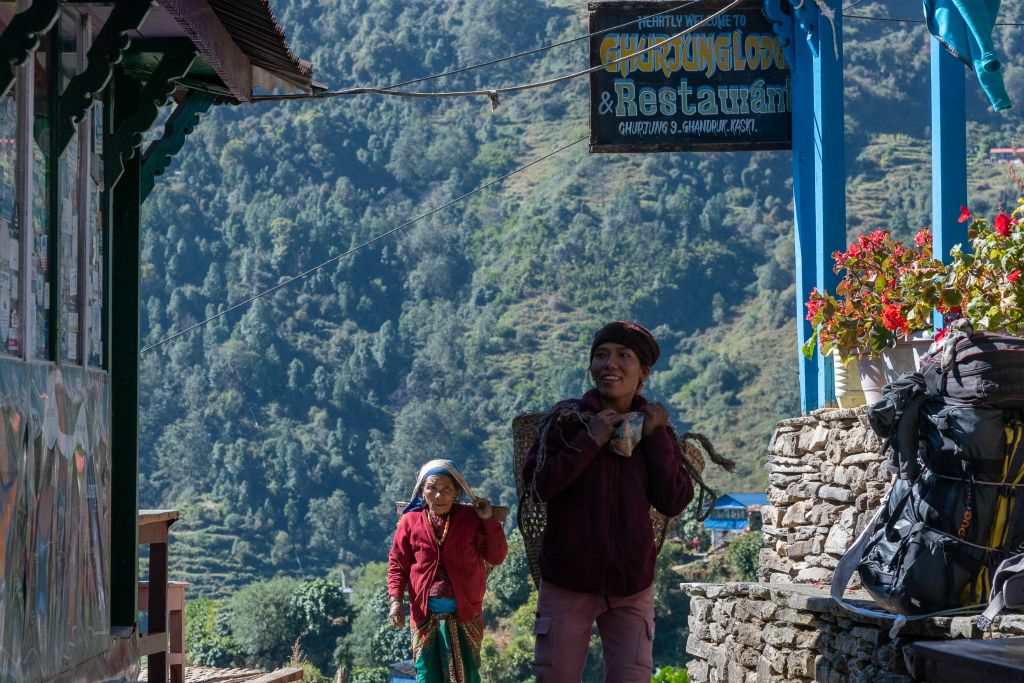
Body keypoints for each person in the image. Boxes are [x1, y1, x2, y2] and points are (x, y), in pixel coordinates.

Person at [522, 320, 694, 682]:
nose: (609, 364)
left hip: (631, 586)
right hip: (567, 581)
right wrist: (590, 440)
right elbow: (538, 486)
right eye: (600, 355)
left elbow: (675, 500)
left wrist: (656, 438)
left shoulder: (653, 428)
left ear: (643, 371)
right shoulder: (566, 421)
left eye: (623, 355)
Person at [388, 459, 507, 683]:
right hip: (424, 616)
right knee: (427, 675)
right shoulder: (410, 521)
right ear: (422, 491)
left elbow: (496, 556)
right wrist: (395, 601)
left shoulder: (471, 519)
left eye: (446, 489)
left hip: (465, 614)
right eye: (432, 488)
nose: (439, 496)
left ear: (457, 494)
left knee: (467, 675)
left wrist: (489, 521)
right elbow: (398, 563)